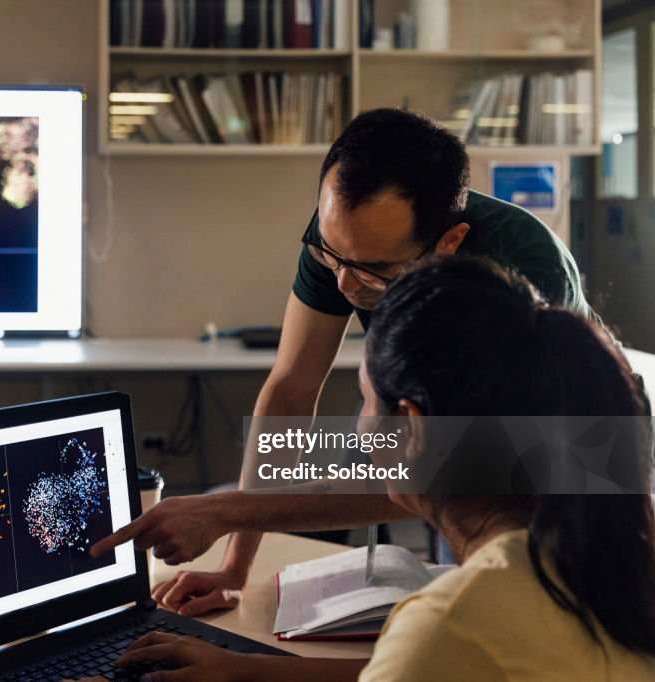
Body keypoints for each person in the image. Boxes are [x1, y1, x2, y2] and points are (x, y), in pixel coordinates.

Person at [90, 108, 594, 616]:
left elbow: (453, 470)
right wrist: (235, 567)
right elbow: (291, 390)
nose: (345, 287)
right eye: (332, 256)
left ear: (449, 244)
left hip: (553, 454)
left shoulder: (522, 269)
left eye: (376, 270)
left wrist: (222, 509)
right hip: (431, 429)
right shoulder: (346, 240)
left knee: (483, 596)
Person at [76, 257, 655, 681]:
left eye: (365, 402)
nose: (357, 430)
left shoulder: (452, 625)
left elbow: (439, 656)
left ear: (413, 425)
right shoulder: (604, 561)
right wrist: (245, 672)